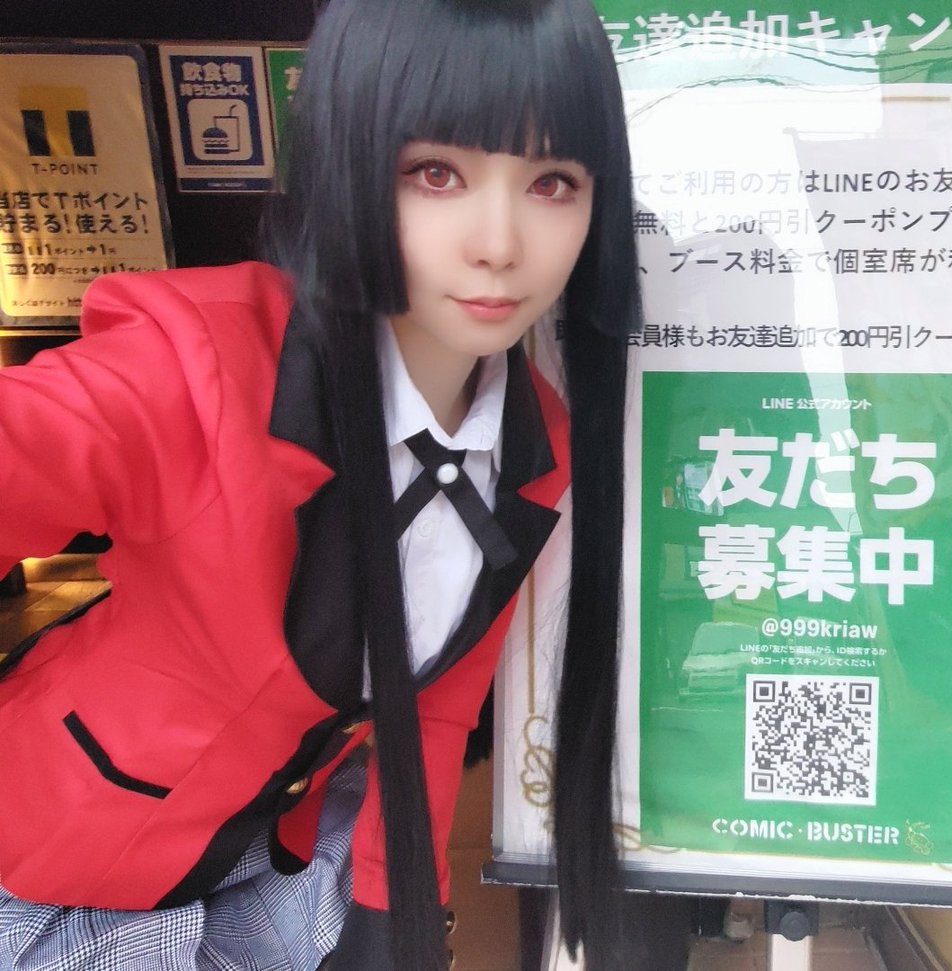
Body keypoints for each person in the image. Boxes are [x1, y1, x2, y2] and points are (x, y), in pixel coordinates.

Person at [0, 0, 640, 968]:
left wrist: (401, 925)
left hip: (272, 862)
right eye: (436, 173)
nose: (501, 243)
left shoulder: (537, 442)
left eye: (554, 182)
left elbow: (434, 709)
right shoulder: (196, 367)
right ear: (347, 161)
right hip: (54, 860)